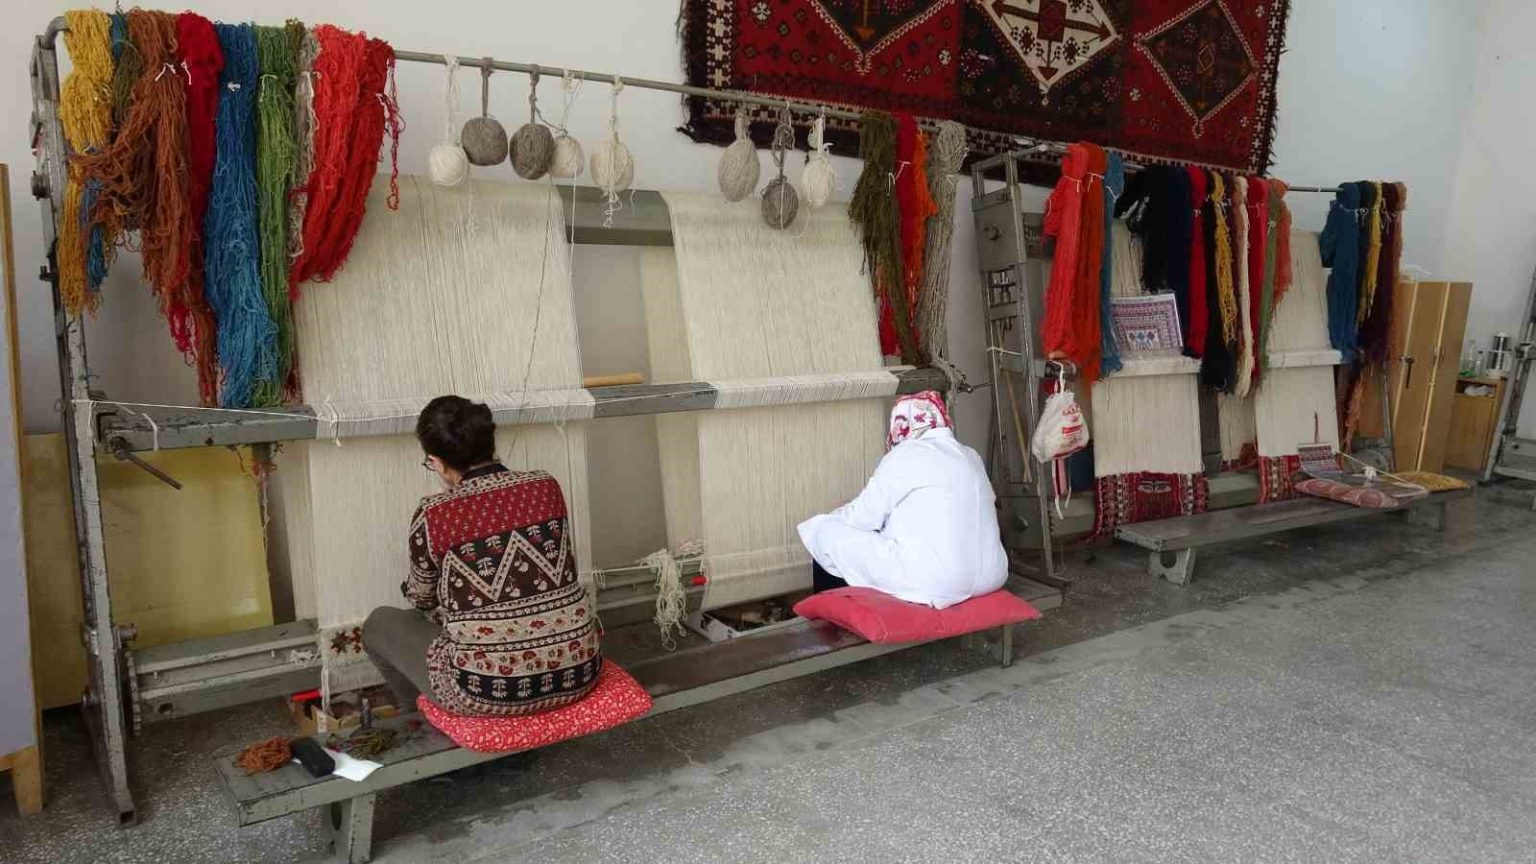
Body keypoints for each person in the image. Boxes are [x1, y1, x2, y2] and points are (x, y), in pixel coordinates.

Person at [364, 395, 601, 717]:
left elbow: (422, 599)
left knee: (379, 623)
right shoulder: (545, 486)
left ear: (436, 462)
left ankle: (418, 719)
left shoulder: (434, 512)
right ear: (490, 442)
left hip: (483, 692)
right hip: (580, 672)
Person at [797, 391, 1007, 609]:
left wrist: (835, 515)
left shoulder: (906, 454)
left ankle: (832, 617)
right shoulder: (971, 455)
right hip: (992, 575)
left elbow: (861, 518)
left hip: (939, 581)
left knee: (822, 530)